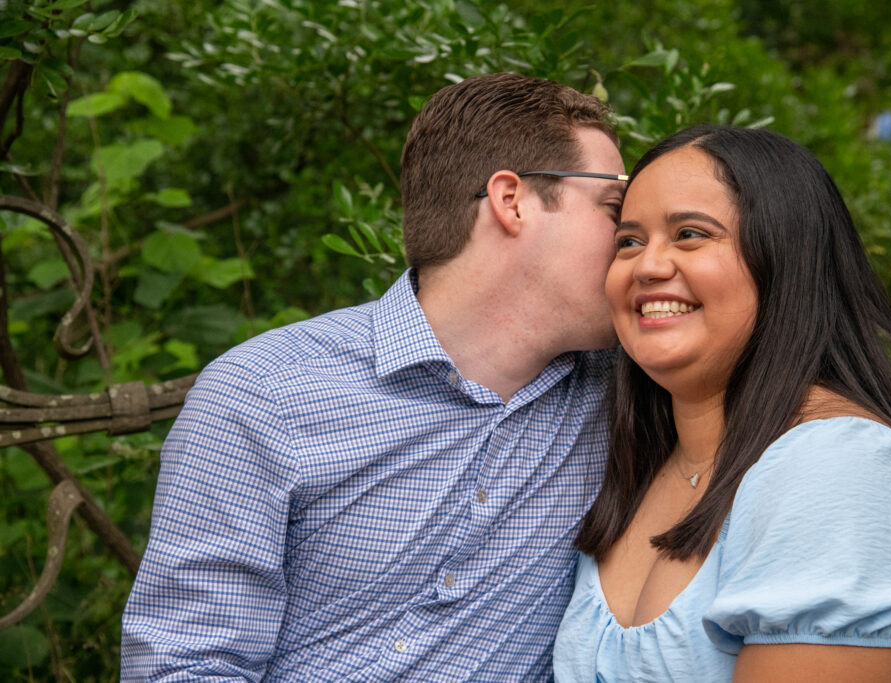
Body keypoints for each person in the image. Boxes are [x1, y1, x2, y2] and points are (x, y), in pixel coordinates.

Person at [121, 73, 628, 681]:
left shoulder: (627, 392)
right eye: (614, 210)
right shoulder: (264, 396)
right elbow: (185, 665)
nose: (636, 245)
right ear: (511, 200)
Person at [553, 124, 891, 682]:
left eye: (690, 234)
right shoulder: (637, 462)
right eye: (628, 241)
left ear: (785, 258)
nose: (647, 265)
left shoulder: (842, 468)